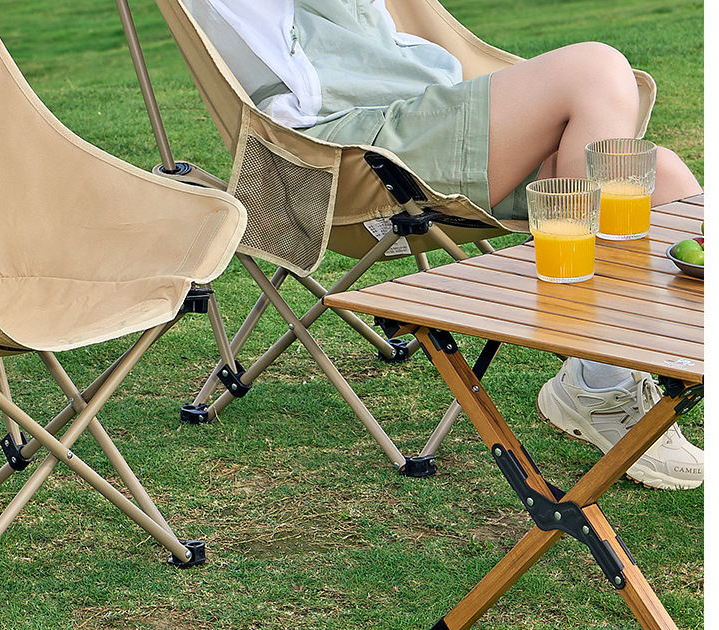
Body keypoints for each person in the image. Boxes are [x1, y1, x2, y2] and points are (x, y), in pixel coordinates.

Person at [194, 0, 703, 489]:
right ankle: (600, 375)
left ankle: (604, 374)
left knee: (664, 181)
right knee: (595, 68)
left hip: (419, 107)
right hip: (342, 145)